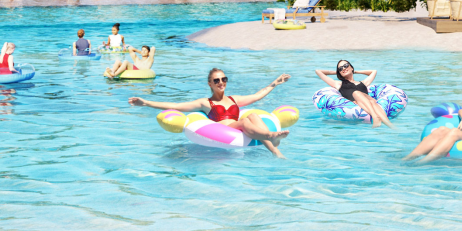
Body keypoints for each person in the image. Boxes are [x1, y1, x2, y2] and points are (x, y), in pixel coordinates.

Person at [130, 68, 293, 158]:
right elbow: (176, 105)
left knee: (253, 115)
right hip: (226, 130)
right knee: (245, 121)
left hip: (242, 128)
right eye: (216, 80)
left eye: (224, 79)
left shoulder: (234, 99)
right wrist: (146, 102)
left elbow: (257, 95)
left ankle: (275, 151)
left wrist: (275, 83)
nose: (221, 83)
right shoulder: (205, 103)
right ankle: (272, 137)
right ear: (210, 84)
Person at [316, 60, 393, 126]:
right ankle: (375, 117)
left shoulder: (364, 83)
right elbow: (318, 71)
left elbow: (374, 71)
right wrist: (337, 72)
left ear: (351, 67)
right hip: (356, 105)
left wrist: (355, 71)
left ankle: (389, 125)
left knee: (369, 99)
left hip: (369, 102)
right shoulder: (339, 84)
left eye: (346, 65)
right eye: (340, 68)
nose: (343, 68)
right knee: (356, 94)